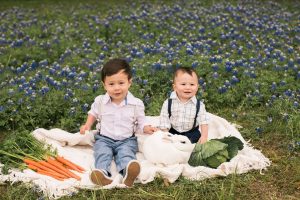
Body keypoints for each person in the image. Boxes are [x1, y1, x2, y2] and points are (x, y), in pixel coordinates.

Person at [80, 58, 156, 187]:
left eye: (121, 83)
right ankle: (102, 173)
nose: (116, 88)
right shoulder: (100, 101)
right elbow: (93, 113)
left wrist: (146, 128)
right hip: (104, 138)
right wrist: (87, 125)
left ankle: (128, 172)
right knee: (102, 153)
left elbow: (141, 121)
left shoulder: (136, 104)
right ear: (104, 85)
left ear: (129, 82)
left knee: (126, 153)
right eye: (111, 84)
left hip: (126, 140)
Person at [159, 67, 209, 144]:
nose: (188, 87)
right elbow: (164, 120)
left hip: (191, 133)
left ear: (197, 87)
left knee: (197, 146)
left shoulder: (199, 105)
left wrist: (204, 136)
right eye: (183, 84)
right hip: (173, 132)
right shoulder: (168, 102)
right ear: (175, 87)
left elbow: (204, 121)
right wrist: (166, 134)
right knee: (165, 143)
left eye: (192, 84)